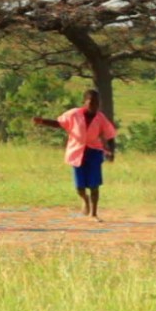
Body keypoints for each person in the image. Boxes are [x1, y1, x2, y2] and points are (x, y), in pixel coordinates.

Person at [33, 89, 117, 220]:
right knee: (79, 187)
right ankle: (85, 199)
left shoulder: (100, 118)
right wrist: (42, 121)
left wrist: (111, 151)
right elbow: (59, 123)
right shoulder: (74, 114)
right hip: (77, 151)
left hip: (94, 151)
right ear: (84, 102)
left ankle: (94, 213)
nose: (94, 106)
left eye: (96, 103)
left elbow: (110, 135)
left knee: (94, 185)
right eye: (91, 103)